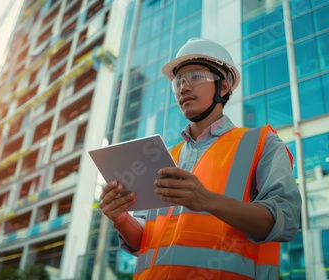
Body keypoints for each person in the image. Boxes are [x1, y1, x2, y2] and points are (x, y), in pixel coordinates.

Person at [99, 38, 301, 279]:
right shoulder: (164, 156)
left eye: (195, 77)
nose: (183, 88)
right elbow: (143, 239)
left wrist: (206, 200)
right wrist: (120, 217)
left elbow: (286, 221)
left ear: (223, 87)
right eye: (178, 82)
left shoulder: (262, 143)